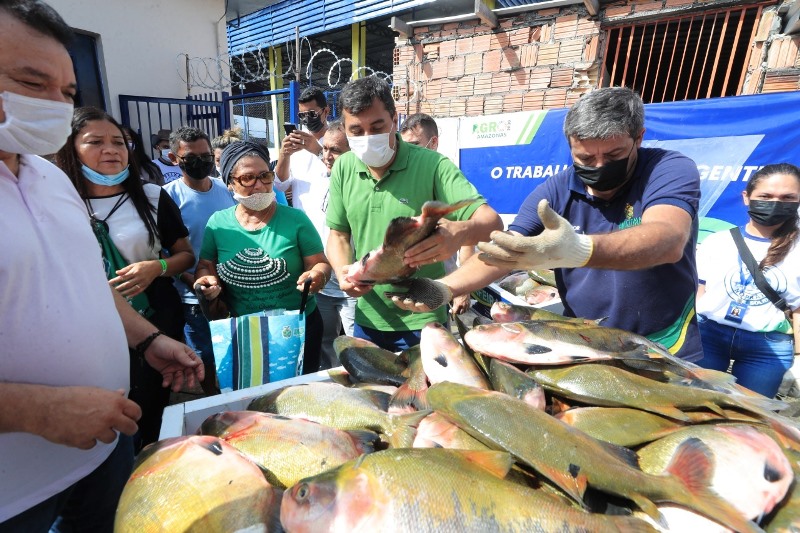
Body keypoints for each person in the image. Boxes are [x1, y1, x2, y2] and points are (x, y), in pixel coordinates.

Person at [0, 1, 203, 530]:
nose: (53, 104)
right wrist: (34, 411)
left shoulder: (49, 180)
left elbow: (87, 283)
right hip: (14, 497)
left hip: (103, 450)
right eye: (30, 82)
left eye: (65, 93)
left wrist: (146, 339)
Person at [390, 87, 703, 362]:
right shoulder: (556, 190)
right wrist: (445, 288)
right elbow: (506, 250)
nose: (599, 166)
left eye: (614, 154)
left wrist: (579, 250)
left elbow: (668, 238)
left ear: (639, 138)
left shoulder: (668, 169)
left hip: (664, 341)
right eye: (585, 158)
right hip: (583, 337)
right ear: (570, 145)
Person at [326, 76, 503, 352]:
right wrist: (343, 273)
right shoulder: (343, 167)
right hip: (367, 318)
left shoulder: (433, 165)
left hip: (425, 318)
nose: (367, 139)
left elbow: (492, 223)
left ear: (394, 120)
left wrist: (459, 233)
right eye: (356, 131)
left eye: (376, 127)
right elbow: (338, 234)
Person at [55, 107, 196, 450]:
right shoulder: (58, 203)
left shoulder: (151, 196)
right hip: (92, 328)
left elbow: (185, 255)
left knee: (151, 408)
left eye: (119, 142)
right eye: (95, 142)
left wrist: (156, 268)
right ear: (70, 148)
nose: (111, 150)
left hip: (156, 318)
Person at [194, 140, 332, 374]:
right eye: (248, 178)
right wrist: (206, 280)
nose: (259, 185)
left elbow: (320, 262)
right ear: (229, 183)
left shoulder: (295, 219)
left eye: (265, 176)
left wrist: (317, 275)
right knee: (253, 395)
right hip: (244, 329)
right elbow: (206, 265)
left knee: (298, 393)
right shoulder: (218, 224)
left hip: (297, 327)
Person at [696, 163, 800, 397]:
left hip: (767, 347)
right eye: (765, 196)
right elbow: (700, 290)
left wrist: (799, 360)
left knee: (751, 417)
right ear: (747, 197)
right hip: (709, 336)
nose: (775, 203)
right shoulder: (717, 241)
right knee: (697, 406)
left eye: (787, 197)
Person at [164, 126, 236, 395]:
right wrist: (194, 281)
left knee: (235, 355)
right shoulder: (167, 197)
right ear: (175, 159)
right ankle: (213, 402)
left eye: (206, 155)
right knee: (204, 359)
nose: (201, 162)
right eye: (191, 157)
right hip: (194, 299)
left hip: (231, 292)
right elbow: (164, 251)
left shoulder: (224, 189)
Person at [400, 112, 473, 316]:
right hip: (399, 286)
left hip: (437, 286)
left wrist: (462, 288)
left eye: (414, 144)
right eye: (404, 145)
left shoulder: (446, 179)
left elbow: (468, 236)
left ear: (433, 143)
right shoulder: (399, 175)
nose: (408, 151)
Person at [274, 86, 331, 207]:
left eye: (312, 114)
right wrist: (284, 155)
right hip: (302, 220)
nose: (307, 119)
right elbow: (281, 185)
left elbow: (345, 173)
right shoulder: (298, 143)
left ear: (326, 111)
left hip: (328, 221)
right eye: (302, 115)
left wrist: (318, 150)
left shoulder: (339, 139)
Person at [211, 127, 289, 206]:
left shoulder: (269, 184)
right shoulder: (214, 188)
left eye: (247, 178)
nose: (258, 185)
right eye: (218, 160)